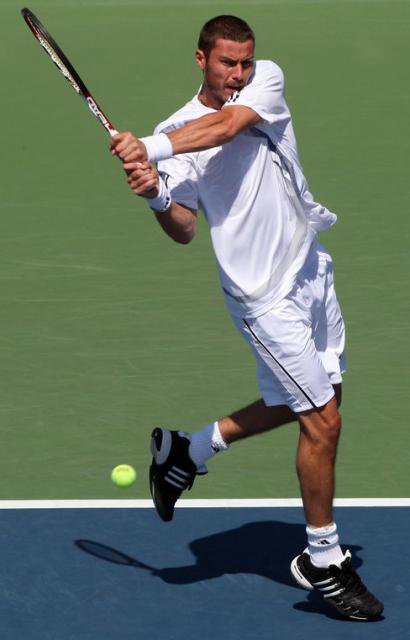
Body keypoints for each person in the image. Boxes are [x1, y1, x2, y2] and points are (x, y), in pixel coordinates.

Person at [110, 15, 383, 621]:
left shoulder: (264, 84)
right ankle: (322, 557)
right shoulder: (175, 128)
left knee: (318, 395)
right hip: (261, 296)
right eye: (226, 63)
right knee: (324, 420)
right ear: (200, 59)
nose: (238, 73)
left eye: (244, 62)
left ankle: (190, 450)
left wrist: (152, 149)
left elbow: (226, 127)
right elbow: (182, 228)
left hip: (310, 271)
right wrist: (156, 191)